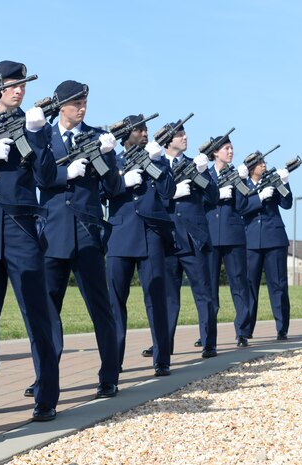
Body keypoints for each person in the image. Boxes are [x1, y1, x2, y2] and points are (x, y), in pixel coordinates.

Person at [0, 60, 59, 422]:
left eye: (22, 84)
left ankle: (46, 396)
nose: (18, 89)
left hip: (22, 230)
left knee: (37, 316)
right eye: (11, 84)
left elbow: (47, 177)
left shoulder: (35, 122)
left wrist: (37, 136)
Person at [38, 80, 122, 399]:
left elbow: (114, 188)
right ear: (61, 107)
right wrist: (66, 174)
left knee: (101, 308)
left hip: (87, 234)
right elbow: (39, 177)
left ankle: (109, 374)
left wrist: (108, 158)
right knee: (47, 312)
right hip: (53, 233)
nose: (82, 108)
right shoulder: (43, 136)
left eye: (84, 102)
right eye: (76, 104)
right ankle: (46, 377)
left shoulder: (98, 137)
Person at [105, 115, 175, 377]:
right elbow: (103, 191)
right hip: (120, 234)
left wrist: (157, 162)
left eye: (146, 129)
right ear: (127, 134)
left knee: (156, 299)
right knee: (115, 302)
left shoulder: (156, 157)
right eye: (139, 130)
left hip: (150, 234)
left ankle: (162, 358)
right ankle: (114, 361)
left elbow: (168, 191)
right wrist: (123, 180)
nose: (145, 134)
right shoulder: (113, 159)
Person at [144, 122, 219, 358]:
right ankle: (163, 345)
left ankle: (209, 342)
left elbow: (214, 196)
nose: (185, 137)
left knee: (204, 293)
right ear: (167, 140)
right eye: (179, 134)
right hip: (166, 237)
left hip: (193, 236)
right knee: (167, 298)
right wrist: (171, 193)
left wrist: (205, 173)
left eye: (185, 133)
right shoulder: (155, 163)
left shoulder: (193, 165)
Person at [203, 134, 251, 347]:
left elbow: (243, 206)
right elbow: (199, 200)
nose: (231, 152)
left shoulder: (236, 174)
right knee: (209, 288)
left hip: (233, 235)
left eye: (232, 148)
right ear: (215, 152)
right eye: (226, 149)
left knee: (239, 284)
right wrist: (216, 194)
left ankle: (242, 331)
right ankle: (207, 334)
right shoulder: (205, 173)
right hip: (211, 235)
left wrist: (241, 181)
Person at [238, 158, 292, 340]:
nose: (264, 166)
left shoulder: (273, 181)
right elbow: (241, 208)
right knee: (249, 286)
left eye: (264, 163)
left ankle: (282, 328)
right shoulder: (243, 183)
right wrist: (259, 198)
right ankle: (246, 330)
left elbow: (286, 204)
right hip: (250, 240)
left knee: (278, 285)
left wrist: (285, 183)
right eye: (260, 163)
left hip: (274, 239)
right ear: (251, 167)